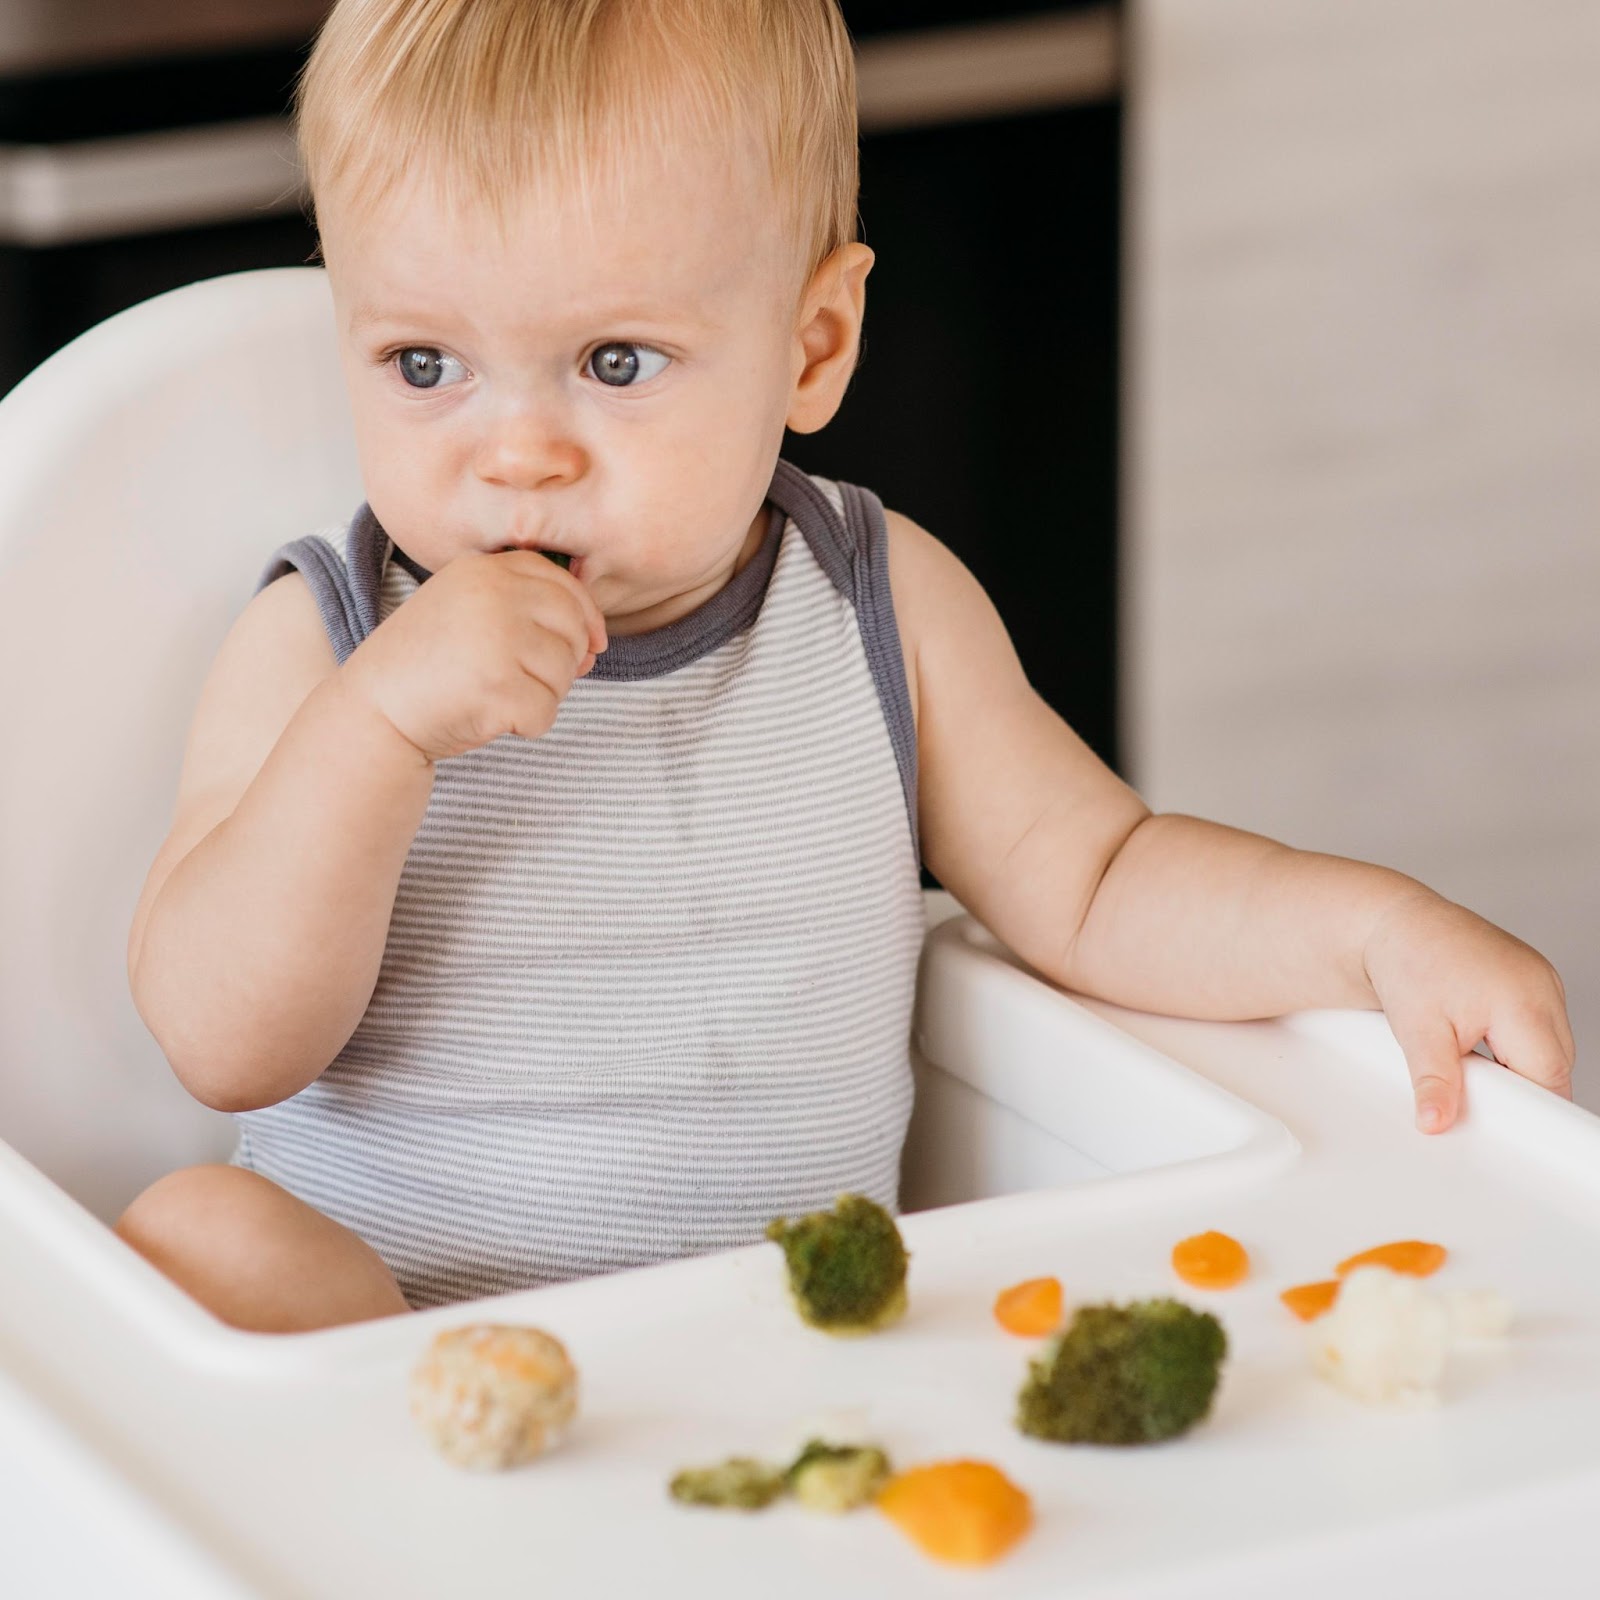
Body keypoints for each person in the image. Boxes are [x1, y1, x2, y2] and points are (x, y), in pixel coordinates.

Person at [116, 0, 1574, 1334]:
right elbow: (221, 1039)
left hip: (802, 1353)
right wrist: (376, 735)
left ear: (813, 346)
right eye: (424, 366)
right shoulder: (324, 645)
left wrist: (1374, 930)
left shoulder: (883, 606)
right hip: (403, 1357)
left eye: (617, 363)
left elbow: (1104, 879)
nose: (517, 456)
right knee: (203, 1238)